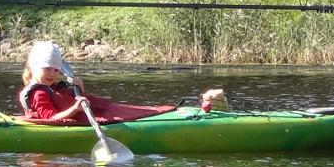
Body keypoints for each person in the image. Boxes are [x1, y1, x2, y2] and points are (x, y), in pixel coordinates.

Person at [17, 41, 209, 124]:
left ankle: (159, 111)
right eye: (48, 68)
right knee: (127, 113)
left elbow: (69, 101)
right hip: (83, 119)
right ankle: (161, 113)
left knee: (135, 109)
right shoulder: (39, 93)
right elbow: (50, 120)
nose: (53, 73)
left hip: (91, 113)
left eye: (56, 69)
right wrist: (75, 107)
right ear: (34, 67)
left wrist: (78, 90)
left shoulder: (49, 87)